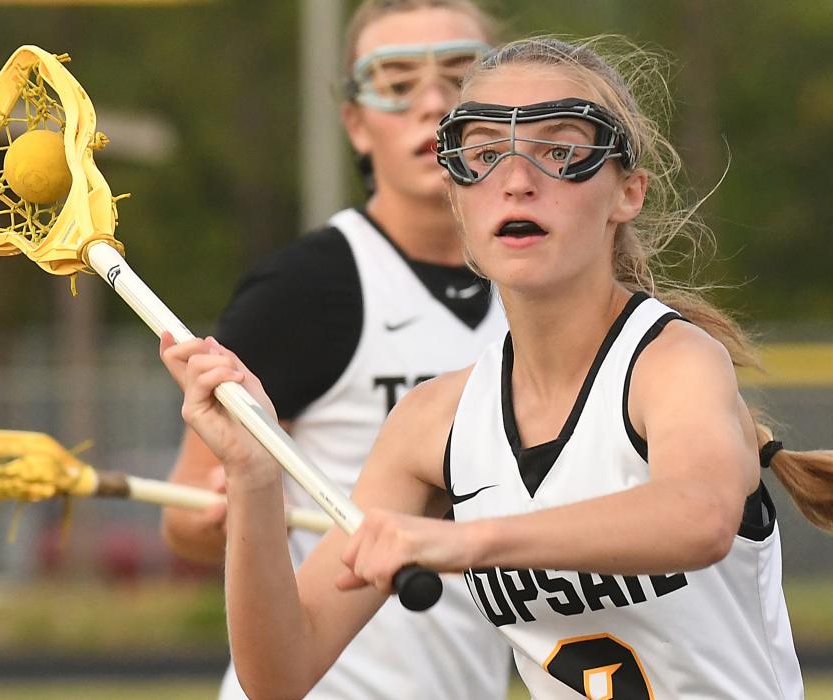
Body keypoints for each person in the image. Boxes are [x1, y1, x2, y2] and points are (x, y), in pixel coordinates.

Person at [162, 34, 833, 699]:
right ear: (457, 200)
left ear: (627, 193)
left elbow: (700, 516)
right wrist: (253, 477)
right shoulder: (433, 422)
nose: (516, 181)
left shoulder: (672, 362)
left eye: (561, 152)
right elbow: (282, 671)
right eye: (483, 156)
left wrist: (467, 542)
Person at [161, 1, 513, 698]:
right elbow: (183, 521)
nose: (434, 105)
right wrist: (228, 513)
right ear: (356, 123)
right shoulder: (308, 286)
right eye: (397, 82)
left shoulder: (540, 284)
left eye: (460, 76)